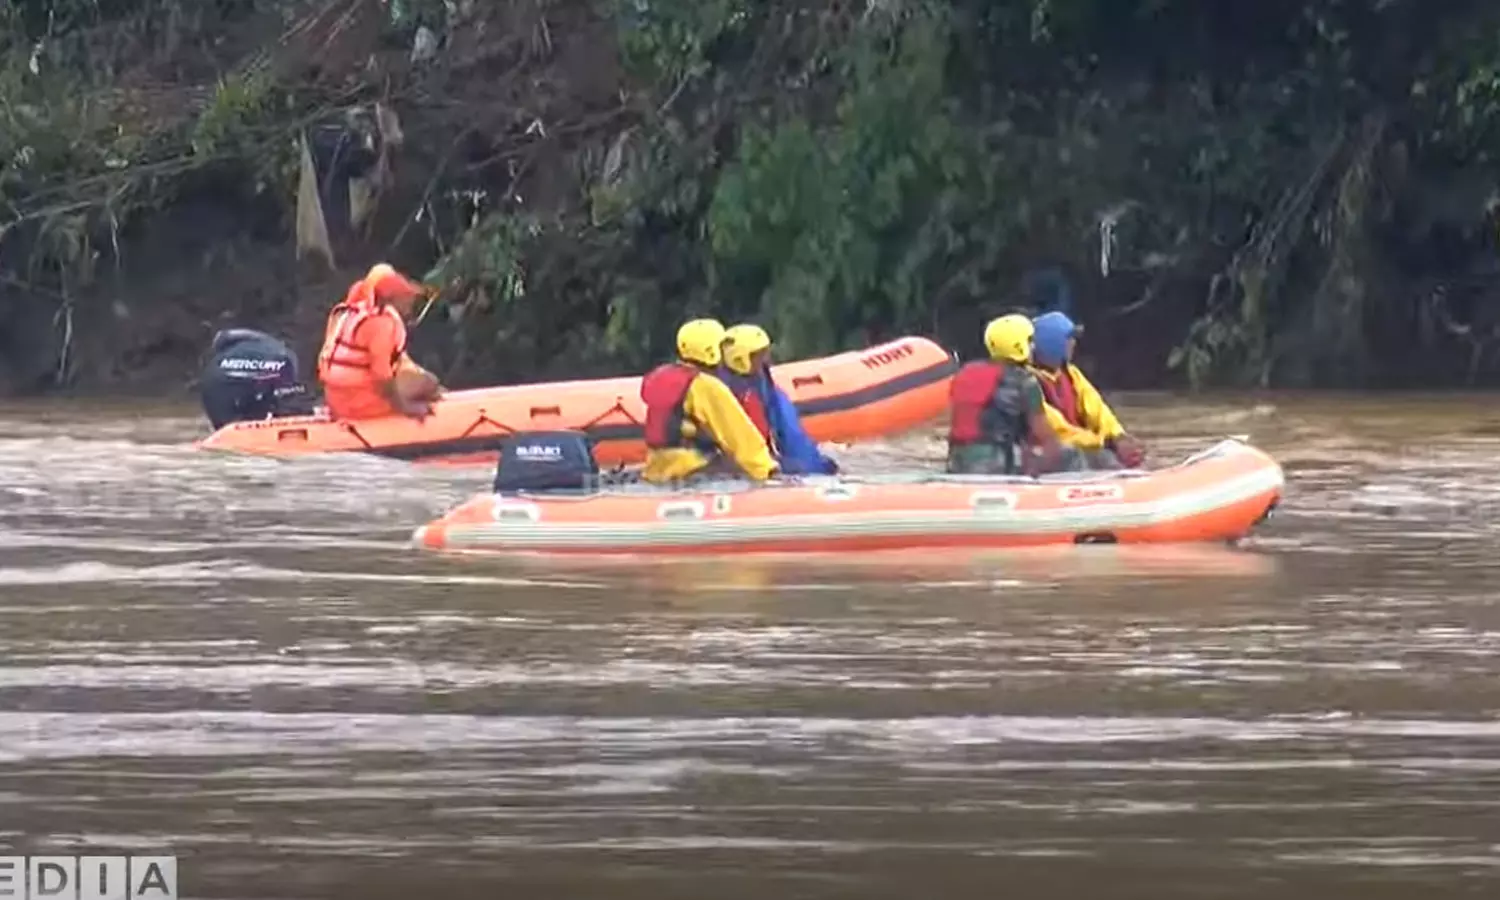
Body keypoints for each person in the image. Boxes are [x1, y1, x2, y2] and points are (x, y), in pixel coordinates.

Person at [640, 318, 780, 484]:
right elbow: (737, 435)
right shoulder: (706, 386)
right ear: (710, 350)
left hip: (656, 469)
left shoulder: (661, 377)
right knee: (738, 470)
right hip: (692, 468)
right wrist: (767, 470)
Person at [945, 314, 1080, 475]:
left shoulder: (966, 372)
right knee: (1070, 454)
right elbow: (1047, 438)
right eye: (1030, 341)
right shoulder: (1023, 380)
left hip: (956, 463)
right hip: (996, 466)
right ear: (1019, 345)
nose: (1034, 347)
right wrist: (1037, 469)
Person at [316, 263, 443, 420]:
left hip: (335, 398)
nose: (410, 302)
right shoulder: (381, 323)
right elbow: (381, 375)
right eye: (405, 297)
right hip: (360, 403)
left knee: (422, 381)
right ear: (392, 298)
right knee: (430, 383)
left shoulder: (347, 313)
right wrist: (405, 407)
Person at [1029, 311, 1146, 468]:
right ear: (1052, 342)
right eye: (1069, 339)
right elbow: (1058, 430)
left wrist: (1118, 436)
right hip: (1058, 452)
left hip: (1084, 446)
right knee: (1104, 459)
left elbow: (1098, 410)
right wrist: (1105, 442)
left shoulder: (1071, 374)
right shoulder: (1028, 382)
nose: (1073, 344)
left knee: (1128, 457)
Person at [721, 323, 839, 476]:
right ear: (740, 359)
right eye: (759, 354)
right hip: (756, 462)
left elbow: (790, 433)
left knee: (825, 466)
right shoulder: (731, 392)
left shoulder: (764, 385)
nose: (766, 358)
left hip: (771, 456)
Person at [200, 328, 316, 429]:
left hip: (214, 382)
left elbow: (223, 338)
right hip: (228, 387)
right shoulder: (285, 359)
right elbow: (293, 408)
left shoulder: (270, 350)